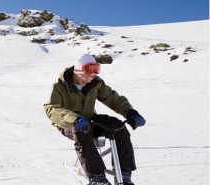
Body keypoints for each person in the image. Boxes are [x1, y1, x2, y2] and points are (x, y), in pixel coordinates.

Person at [44, 54, 145, 185]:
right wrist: (75, 119)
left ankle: (124, 173)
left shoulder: (96, 83)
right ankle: (97, 177)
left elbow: (113, 98)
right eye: (86, 76)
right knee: (82, 132)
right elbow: (51, 109)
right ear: (77, 72)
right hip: (68, 123)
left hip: (89, 119)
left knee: (118, 126)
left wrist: (130, 112)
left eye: (92, 76)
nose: (89, 80)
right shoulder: (60, 86)